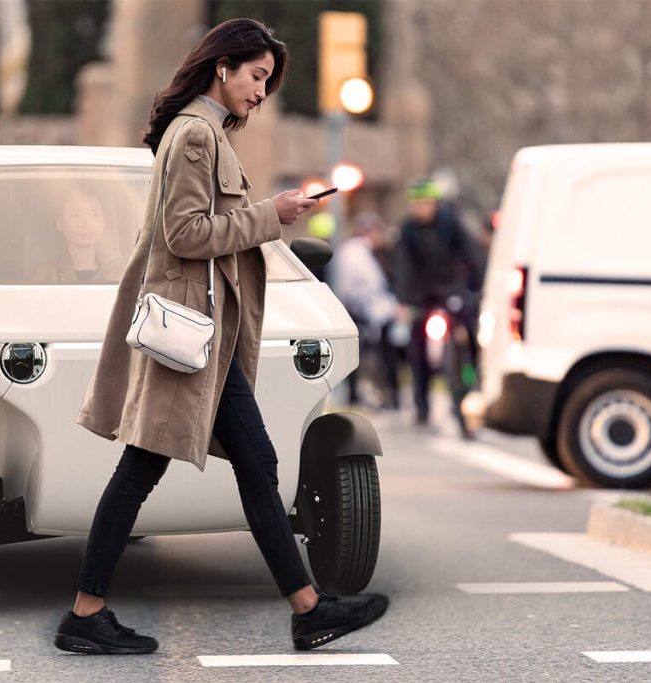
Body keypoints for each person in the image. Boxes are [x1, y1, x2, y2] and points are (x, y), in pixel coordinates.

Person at [57, 18, 390, 655]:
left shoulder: (204, 134)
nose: (261, 92)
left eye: (267, 81)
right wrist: (273, 216)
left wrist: (271, 213)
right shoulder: (195, 137)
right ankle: (86, 613)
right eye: (257, 76)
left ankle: (307, 609)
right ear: (223, 67)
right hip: (188, 335)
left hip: (204, 337)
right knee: (142, 468)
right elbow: (184, 235)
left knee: (251, 465)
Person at [393, 179, 485, 426]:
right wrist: (403, 300)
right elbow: (403, 266)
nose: (420, 208)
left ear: (435, 203)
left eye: (425, 203)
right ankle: (421, 405)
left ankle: (469, 380)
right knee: (418, 347)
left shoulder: (450, 223)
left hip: (451, 288)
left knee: (466, 331)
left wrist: (478, 288)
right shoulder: (408, 230)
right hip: (421, 294)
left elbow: (472, 254)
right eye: (416, 204)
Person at [334, 211, 400, 409]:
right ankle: (380, 394)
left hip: (360, 309)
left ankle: (361, 394)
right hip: (366, 311)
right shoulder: (359, 252)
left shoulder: (351, 251)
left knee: (360, 355)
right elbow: (373, 284)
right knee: (375, 356)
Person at [29, 187, 124, 283]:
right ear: (60, 223)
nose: (88, 224)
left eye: (95, 214)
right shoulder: (45, 275)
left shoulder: (120, 274)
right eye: (77, 215)